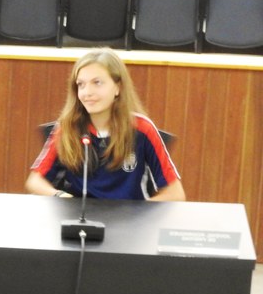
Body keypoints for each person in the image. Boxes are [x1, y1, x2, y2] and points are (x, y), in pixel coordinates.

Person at [25, 48, 186, 201]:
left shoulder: (143, 129)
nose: (87, 92)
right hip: (80, 216)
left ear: (118, 87)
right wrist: (59, 195)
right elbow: (35, 181)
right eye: (81, 84)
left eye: (97, 82)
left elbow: (175, 194)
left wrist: (138, 212)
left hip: (128, 218)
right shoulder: (67, 127)